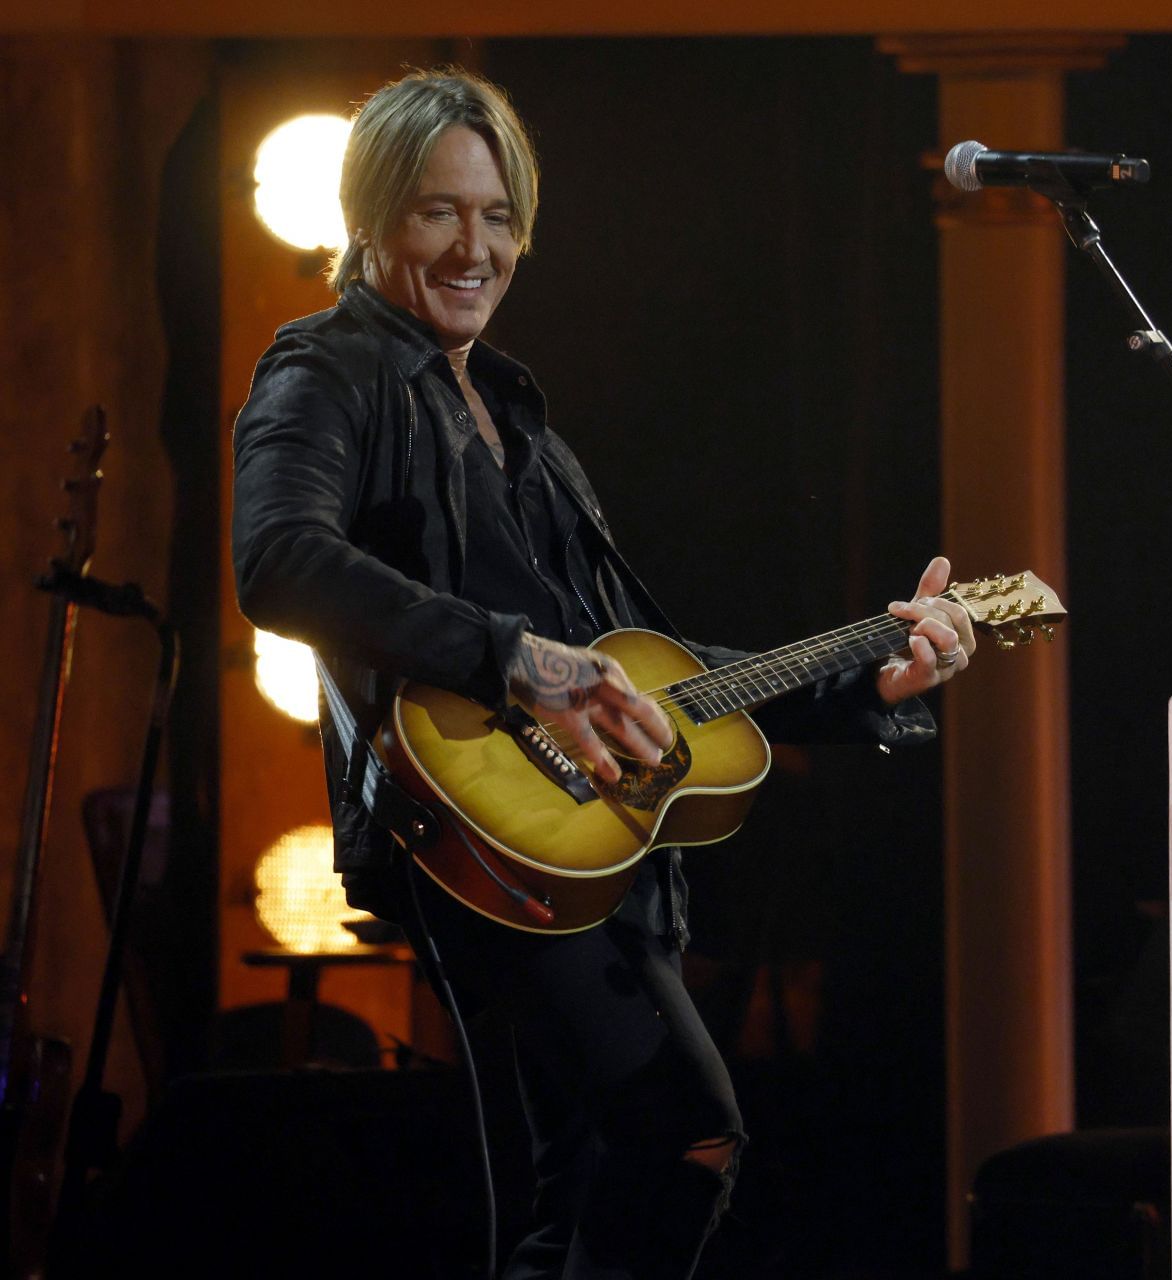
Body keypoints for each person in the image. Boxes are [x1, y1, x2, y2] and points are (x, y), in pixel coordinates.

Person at [230, 68, 973, 1279]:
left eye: (499, 216)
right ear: (370, 219)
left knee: (564, 1191)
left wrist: (868, 677)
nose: (476, 247)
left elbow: (646, 669)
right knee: (685, 1130)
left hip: (602, 842)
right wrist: (512, 659)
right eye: (438, 213)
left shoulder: (519, 416)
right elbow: (279, 558)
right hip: (483, 834)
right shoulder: (327, 369)